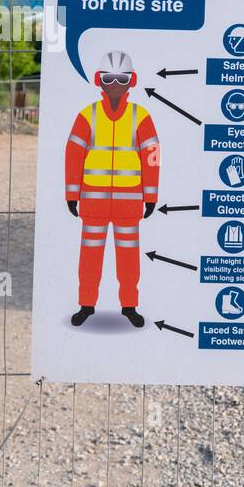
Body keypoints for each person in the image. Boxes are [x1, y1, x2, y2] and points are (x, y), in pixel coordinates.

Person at [64, 51, 161, 328]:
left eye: (122, 79)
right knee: (90, 256)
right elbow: (73, 155)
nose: (115, 84)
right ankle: (86, 305)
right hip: (93, 202)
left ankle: (129, 306)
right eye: (109, 79)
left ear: (132, 81)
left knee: (128, 257)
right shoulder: (88, 115)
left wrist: (150, 196)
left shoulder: (140, 116)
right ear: (99, 80)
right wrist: (72, 194)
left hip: (128, 205)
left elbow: (152, 157)